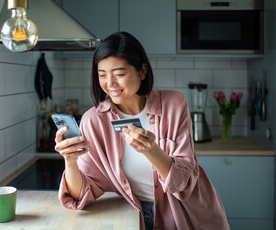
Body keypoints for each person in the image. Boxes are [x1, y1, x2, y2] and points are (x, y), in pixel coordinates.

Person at [54, 31, 229, 230]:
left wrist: (150, 150)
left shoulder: (174, 104)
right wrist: (70, 161)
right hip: (132, 214)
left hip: (187, 213)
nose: (110, 84)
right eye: (102, 75)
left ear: (142, 71)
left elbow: (185, 183)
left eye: (119, 74)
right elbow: (81, 195)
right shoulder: (93, 120)